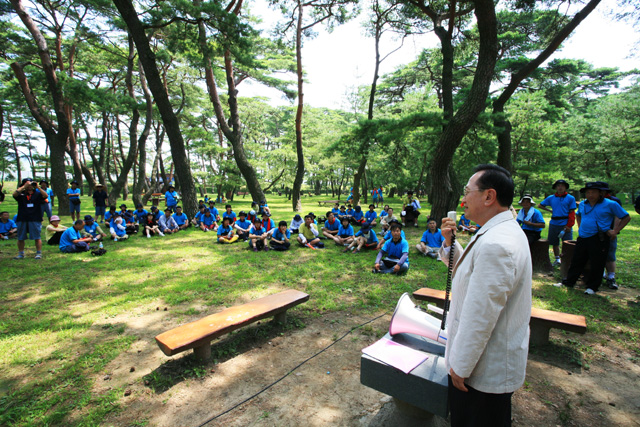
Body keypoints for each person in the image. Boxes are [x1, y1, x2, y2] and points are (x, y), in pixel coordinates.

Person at [438, 164, 532, 426]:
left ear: (489, 196)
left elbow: (480, 315)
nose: (463, 199)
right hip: (481, 366)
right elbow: (471, 274)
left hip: (480, 373)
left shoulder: (497, 244)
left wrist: (461, 365)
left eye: (467, 192)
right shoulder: (498, 231)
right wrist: (449, 243)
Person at [557, 181, 630, 295]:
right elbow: (578, 214)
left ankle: (592, 287)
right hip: (583, 236)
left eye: (593, 192)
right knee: (577, 260)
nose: (590, 195)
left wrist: (615, 231)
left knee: (597, 262)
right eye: (588, 192)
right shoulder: (583, 204)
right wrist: (580, 227)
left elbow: (626, 217)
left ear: (600, 193)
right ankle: (569, 282)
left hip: (599, 237)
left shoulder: (611, 204)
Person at [539, 179, 577, 267]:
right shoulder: (551, 198)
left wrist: (569, 225)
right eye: (558, 186)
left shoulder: (570, 198)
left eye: (562, 186)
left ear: (565, 188)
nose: (560, 187)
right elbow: (540, 205)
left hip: (565, 223)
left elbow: (572, 213)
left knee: (566, 243)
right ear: (556, 187)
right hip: (554, 223)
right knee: (554, 242)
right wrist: (550, 210)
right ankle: (557, 259)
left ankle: (566, 260)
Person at [13, 178, 48, 259]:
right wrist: (24, 186)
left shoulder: (37, 193)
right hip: (22, 218)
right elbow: (14, 194)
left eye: (30, 184)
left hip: (35, 218)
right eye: (27, 184)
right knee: (21, 237)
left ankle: (38, 253)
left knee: (37, 236)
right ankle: (21, 254)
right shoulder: (21, 194)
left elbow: (45, 196)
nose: (29, 186)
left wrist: (38, 187)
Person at [603, 189, 623, 289]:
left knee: (610, 254)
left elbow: (619, 216)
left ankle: (611, 277)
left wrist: (615, 230)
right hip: (594, 232)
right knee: (596, 253)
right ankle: (600, 274)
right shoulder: (592, 201)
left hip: (610, 231)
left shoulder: (614, 201)